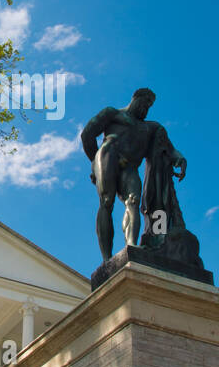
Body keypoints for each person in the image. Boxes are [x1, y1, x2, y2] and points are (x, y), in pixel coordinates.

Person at [80, 87, 187, 263]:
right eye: (144, 104)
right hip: (109, 155)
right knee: (107, 201)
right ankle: (107, 259)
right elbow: (87, 135)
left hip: (130, 166)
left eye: (149, 106)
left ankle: (131, 245)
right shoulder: (112, 113)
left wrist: (180, 158)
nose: (146, 109)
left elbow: (168, 148)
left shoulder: (150, 128)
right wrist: (94, 162)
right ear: (135, 98)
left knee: (133, 201)